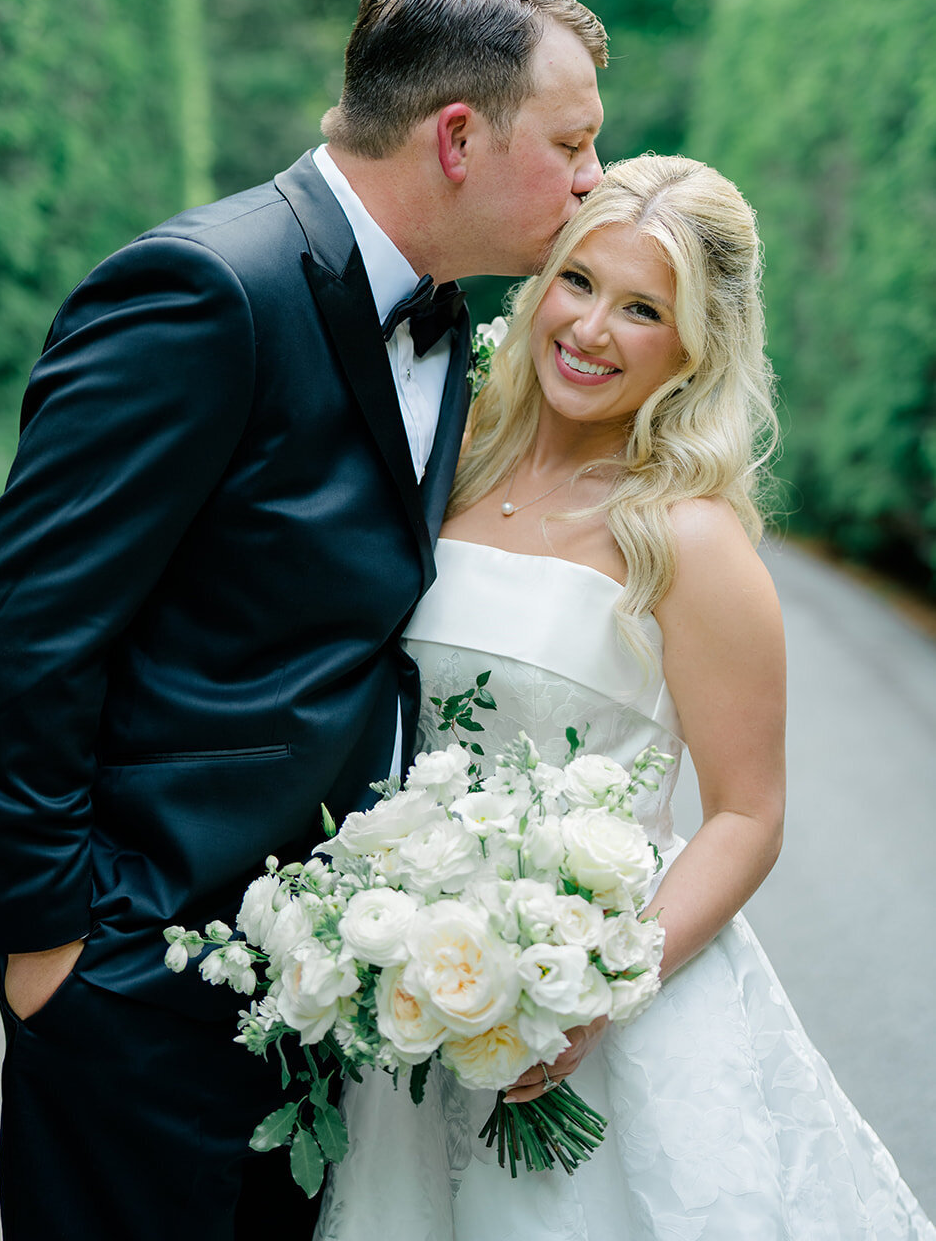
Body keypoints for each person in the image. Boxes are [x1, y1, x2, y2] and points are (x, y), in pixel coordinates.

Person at [0, 0, 608, 1241]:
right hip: (139, 975)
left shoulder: (445, 319)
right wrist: (50, 950)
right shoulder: (203, 290)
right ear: (457, 136)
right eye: (571, 144)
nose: (591, 182)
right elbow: (29, 624)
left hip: (317, 990)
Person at [315, 154, 936, 1240]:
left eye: (642, 309)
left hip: (593, 1009)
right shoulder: (447, 465)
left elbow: (747, 814)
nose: (590, 328)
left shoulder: (686, 540)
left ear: (693, 348)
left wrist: (591, 991)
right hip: (418, 995)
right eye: (577, 281)